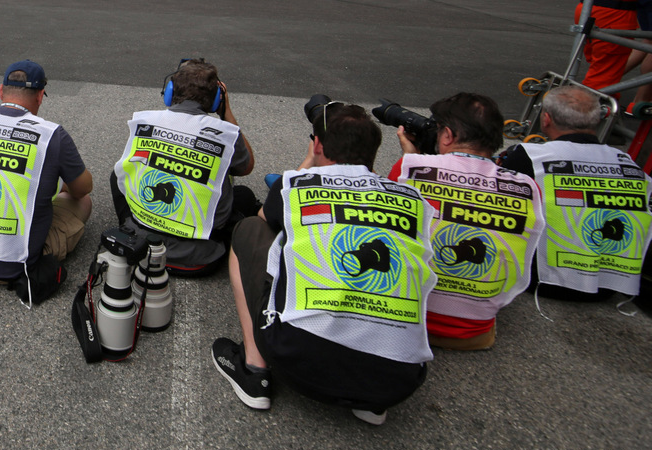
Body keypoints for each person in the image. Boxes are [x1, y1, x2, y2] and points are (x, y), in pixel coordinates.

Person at [213, 103, 435, 425]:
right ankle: (370, 403)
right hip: (398, 381)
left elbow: (265, 220)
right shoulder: (412, 198)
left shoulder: (294, 186)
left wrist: (307, 166)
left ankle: (253, 370)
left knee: (248, 230)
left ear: (317, 144)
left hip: (298, 361)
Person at [389, 93, 544, 350]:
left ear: (448, 135)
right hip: (475, 331)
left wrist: (410, 160)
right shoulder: (526, 187)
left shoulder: (409, 168)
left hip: (410, 322)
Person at [0, 60, 93, 301]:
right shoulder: (52, 134)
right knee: (83, 202)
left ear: (1, 91)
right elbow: (83, 188)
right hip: (12, 266)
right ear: (40, 95)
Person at [499, 85, 652, 301]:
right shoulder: (630, 166)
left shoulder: (529, 157)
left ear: (546, 120)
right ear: (596, 120)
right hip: (607, 287)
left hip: (540, 281)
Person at [111, 58, 256, 276]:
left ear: (169, 92)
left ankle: (136, 228)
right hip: (199, 261)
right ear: (217, 99)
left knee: (119, 174)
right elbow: (245, 168)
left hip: (142, 249)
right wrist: (226, 112)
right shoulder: (225, 134)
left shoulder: (145, 121)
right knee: (243, 195)